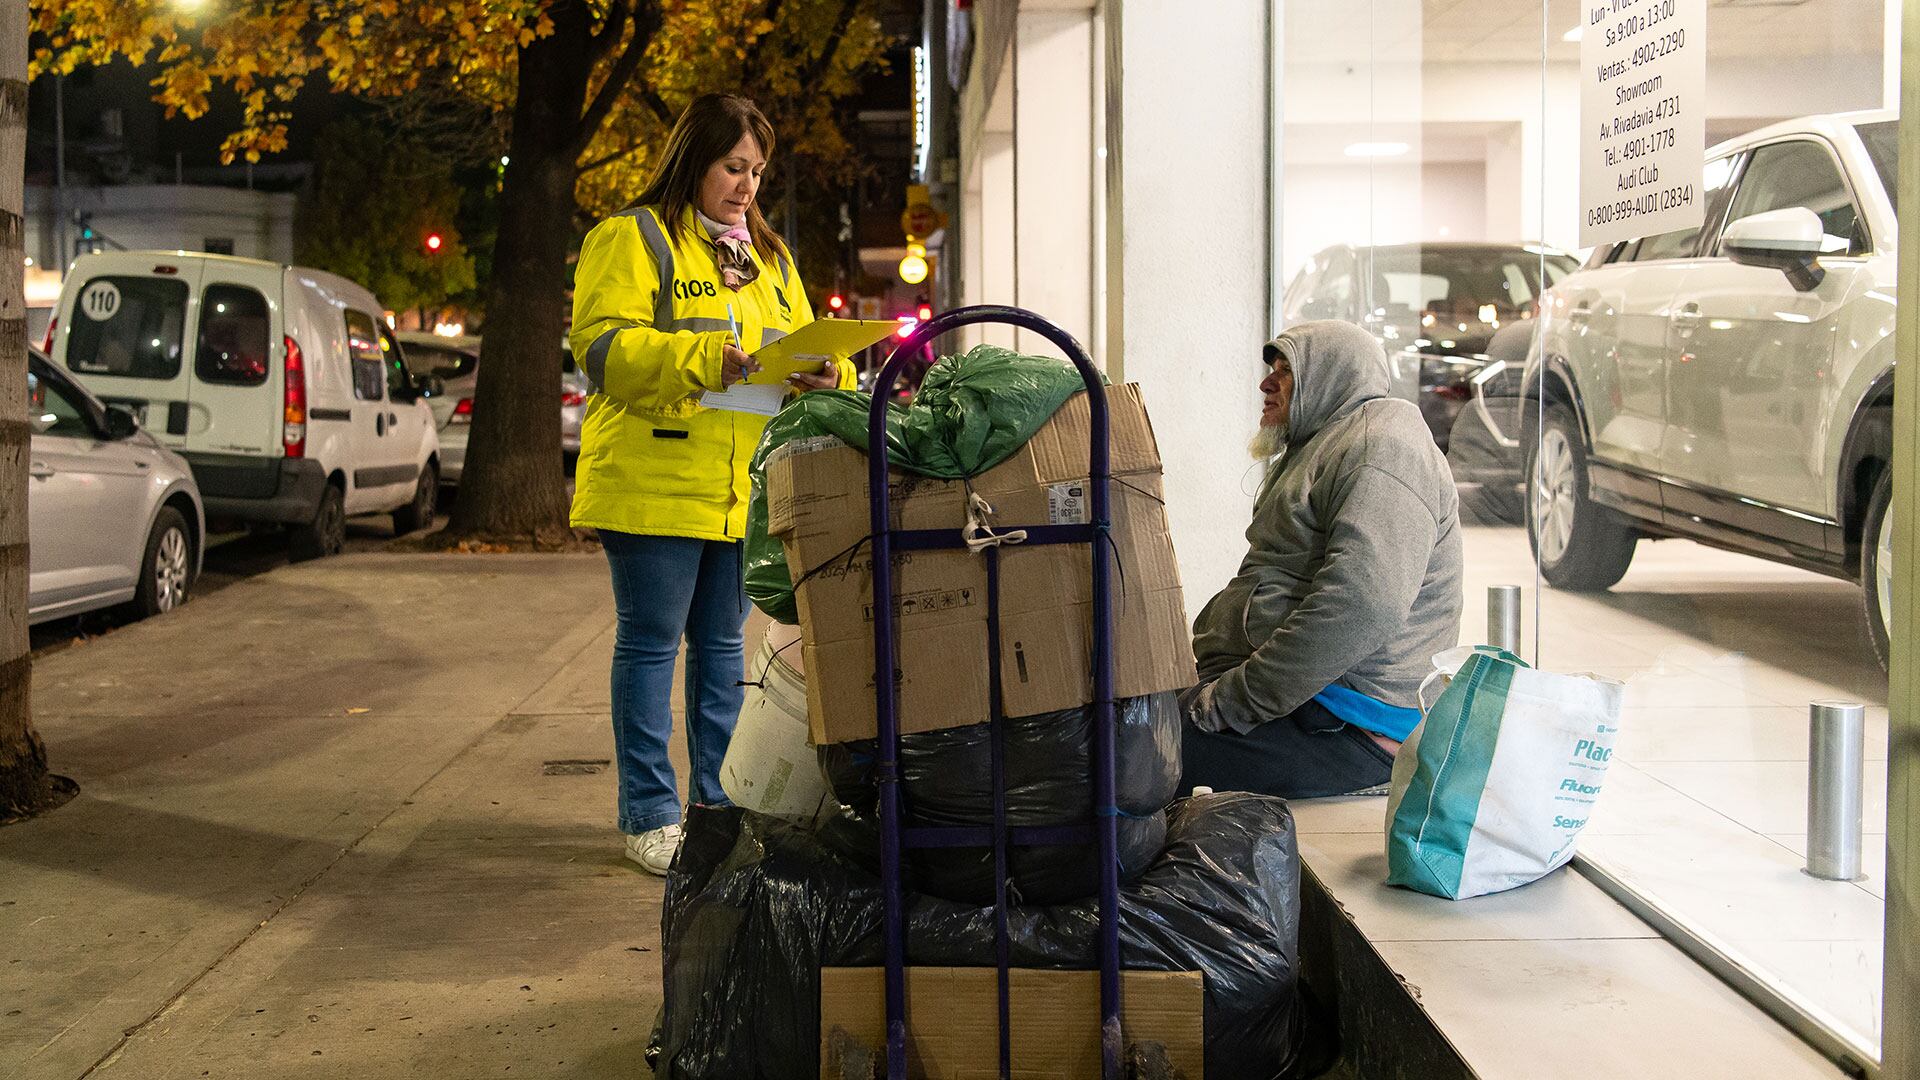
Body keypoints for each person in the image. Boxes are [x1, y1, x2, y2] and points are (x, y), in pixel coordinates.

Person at [569, 94, 854, 874]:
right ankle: (650, 815)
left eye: (758, 171)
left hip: (740, 490)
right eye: (734, 167)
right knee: (651, 647)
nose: (747, 185)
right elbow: (600, 347)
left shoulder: (768, 255)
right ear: (693, 159)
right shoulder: (632, 238)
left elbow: (803, 343)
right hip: (653, 482)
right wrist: (702, 360)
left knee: (724, 652)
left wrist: (832, 371)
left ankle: (717, 808)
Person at [1181, 320, 1463, 799]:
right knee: (1116, 725)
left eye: (1286, 369)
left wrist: (1229, 703)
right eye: (1271, 368)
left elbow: (1361, 604)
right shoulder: (1328, 443)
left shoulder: (1383, 446)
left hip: (1348, 726)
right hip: (1306, 708)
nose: (1267, 382)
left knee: (1115, 753)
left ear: (1331, 377)